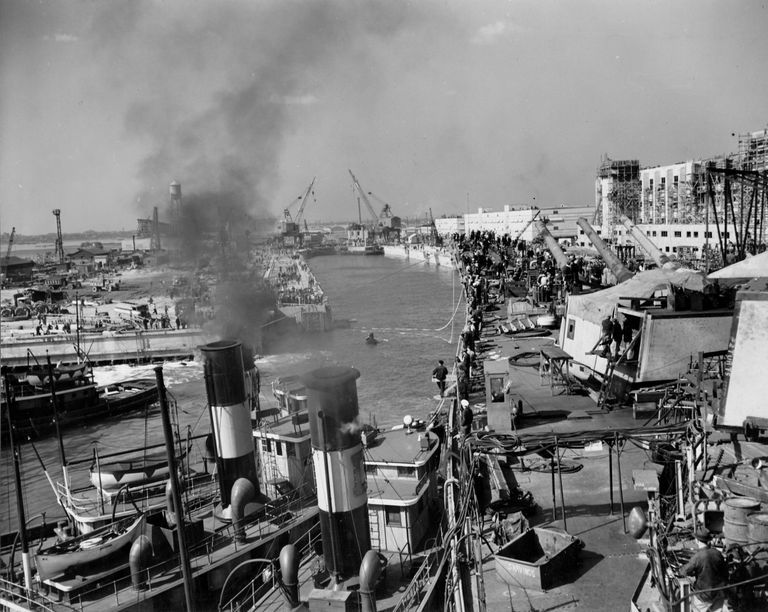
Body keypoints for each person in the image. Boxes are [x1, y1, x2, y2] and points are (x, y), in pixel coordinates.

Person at [681, 528, 732, 612]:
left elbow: (684, 571)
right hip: (719, 592)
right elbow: (725, 572)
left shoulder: (698, 556)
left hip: (704, 595)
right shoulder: (717, 553)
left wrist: (681, 570)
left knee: (697, 609)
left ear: (697, 541)